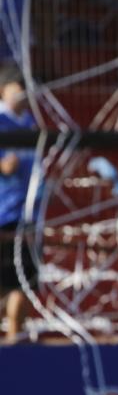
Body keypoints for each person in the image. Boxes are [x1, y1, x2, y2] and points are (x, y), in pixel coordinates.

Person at [0, 66, 38, 343]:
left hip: (29, 213)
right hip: (4, 214)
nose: (22, 93)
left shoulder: (31, 123)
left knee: (22, 282)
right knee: (8, 282)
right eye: (16, 87)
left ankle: (15, 338)